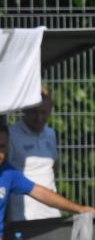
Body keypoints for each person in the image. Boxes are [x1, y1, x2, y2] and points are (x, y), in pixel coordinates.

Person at [8, 87, 61, 221]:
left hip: (51, 212)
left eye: (44, 113)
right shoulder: (11, 135)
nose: (39, 118)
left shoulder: (51, 134)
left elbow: (54, 166)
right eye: (34, 113)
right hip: (22, 215)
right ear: (24, 110)